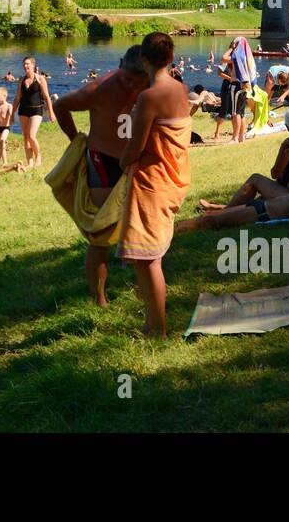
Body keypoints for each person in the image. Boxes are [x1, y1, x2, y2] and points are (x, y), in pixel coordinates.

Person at [52, 45, 150, 306]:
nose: (131, 86)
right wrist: (76, 140)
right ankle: (100, 298)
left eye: (137, 81)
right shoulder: (98, 89)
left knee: (141, 229)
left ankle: (144, 290)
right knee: (101, 235)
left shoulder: (154, 88)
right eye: (127, 78)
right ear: (120, 65)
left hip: (138, 164)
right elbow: (61, 105)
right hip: (104, 161)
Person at [117, 32, 191, 337]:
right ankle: (153, 322)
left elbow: (136, 146)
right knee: (151, 257)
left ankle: (156, 328)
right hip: (174, 175)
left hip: (152, 180)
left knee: (148, 260)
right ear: (171, 58)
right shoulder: (181, 89)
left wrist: (122, 162)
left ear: (144, 60)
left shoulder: (149, 97)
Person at [11, 55, 55, 167]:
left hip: (37, 110)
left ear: (33, 65)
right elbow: (17, 98)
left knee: (31, 136)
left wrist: (51, 112)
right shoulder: (21, 80)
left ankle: (38, 156)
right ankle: (30, 162)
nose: (26, 66)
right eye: (24, 64)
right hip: (23, 110)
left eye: (28, 64)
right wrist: (12, 114)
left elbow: (46, 97)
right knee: (25, 137)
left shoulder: (40, 79)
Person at [0, 86, 14, 167]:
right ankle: (2, 162)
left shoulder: (9, 106)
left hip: (6, 127)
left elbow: (11, 114)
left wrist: (10, 118)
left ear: (4, 96)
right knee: (1, 145)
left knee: (2, 141)